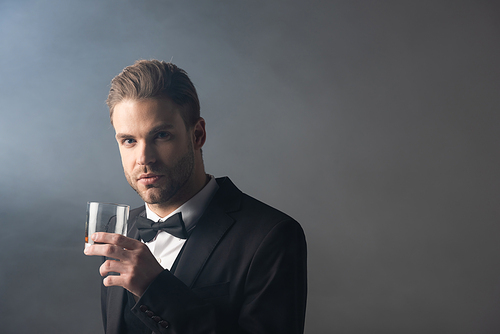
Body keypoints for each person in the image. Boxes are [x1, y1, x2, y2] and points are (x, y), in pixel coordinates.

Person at [84, 59, 307, 334]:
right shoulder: (119, 230)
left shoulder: (271, 236)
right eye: (129, 141)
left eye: (161, 135)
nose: (144, 158)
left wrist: (156, 289)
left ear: (197, 134)